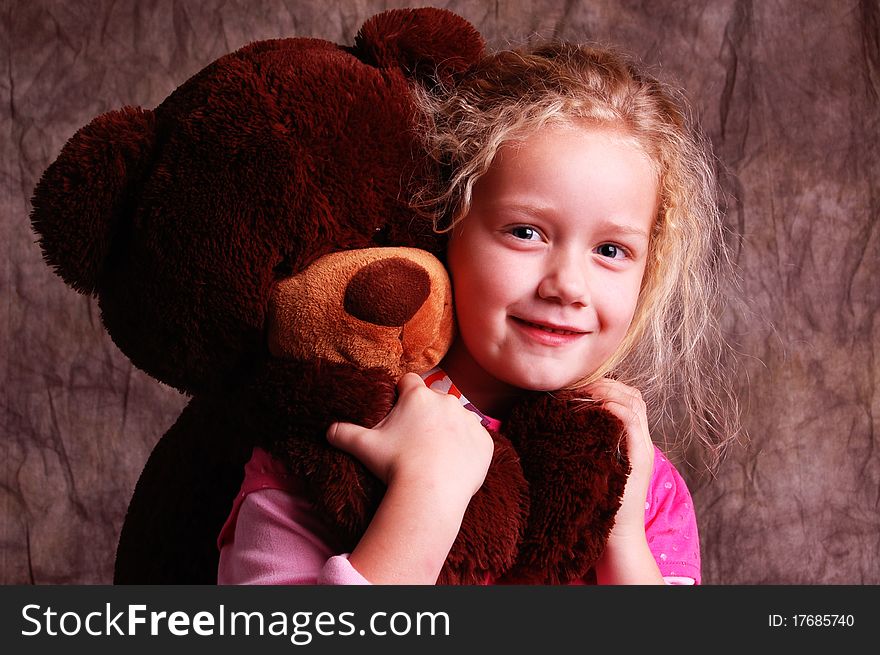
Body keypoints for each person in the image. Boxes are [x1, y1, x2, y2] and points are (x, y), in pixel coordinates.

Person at [217, 40, 742, 585]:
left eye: (611, 250)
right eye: (525, 232)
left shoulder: (642, 483)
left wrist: (622, 534)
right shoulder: (338, 436)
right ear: (445, 223)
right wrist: (426, 494)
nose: (567, 286)